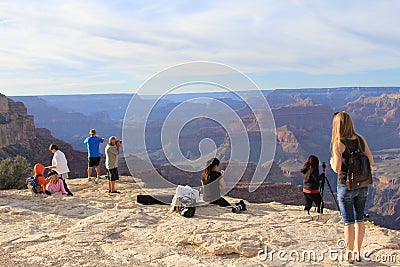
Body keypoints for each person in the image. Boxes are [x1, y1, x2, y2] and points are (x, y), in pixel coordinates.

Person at [330, 111, 375, 263]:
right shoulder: (361, 139)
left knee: (348, 222)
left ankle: (349, 256)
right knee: (359, 219)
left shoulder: (338, 143)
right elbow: (371, 161)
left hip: (345, 187)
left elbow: (337, 168)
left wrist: (331, 161)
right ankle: (358, 252)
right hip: (362, 185)